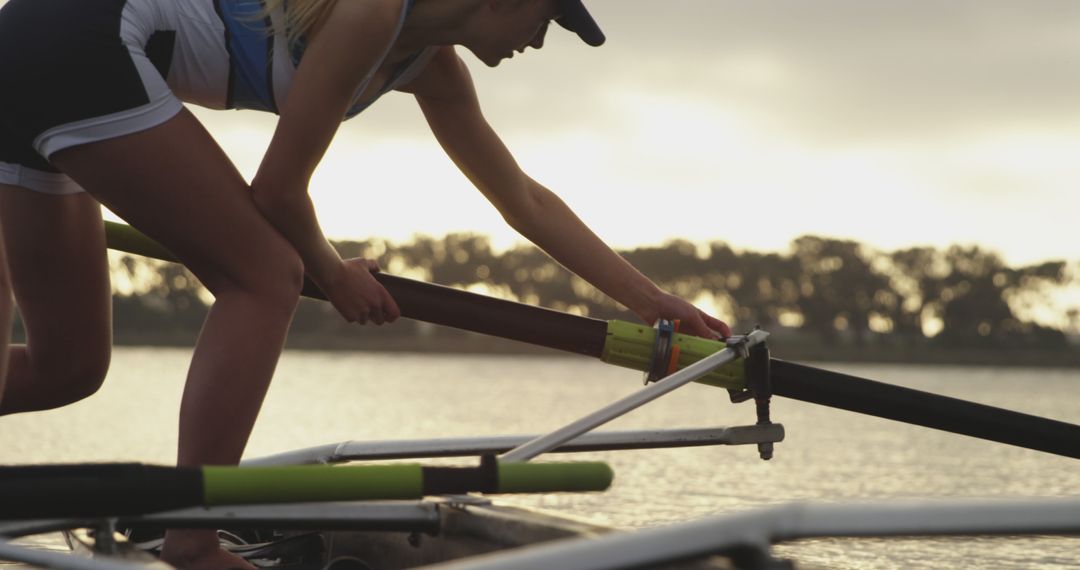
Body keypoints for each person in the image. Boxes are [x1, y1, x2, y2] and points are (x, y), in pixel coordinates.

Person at [0, 0, 732, 567]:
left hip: (34, 56)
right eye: (551, 17)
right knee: (266, 276)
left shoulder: (432, 68)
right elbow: (278, 194)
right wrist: (330, 271)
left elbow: (523, 200)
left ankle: (188, 533)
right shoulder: (373, 12)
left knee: (66, 369)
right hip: (79, 39)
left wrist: (650, 299)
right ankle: (191, 540)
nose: (542, 40)